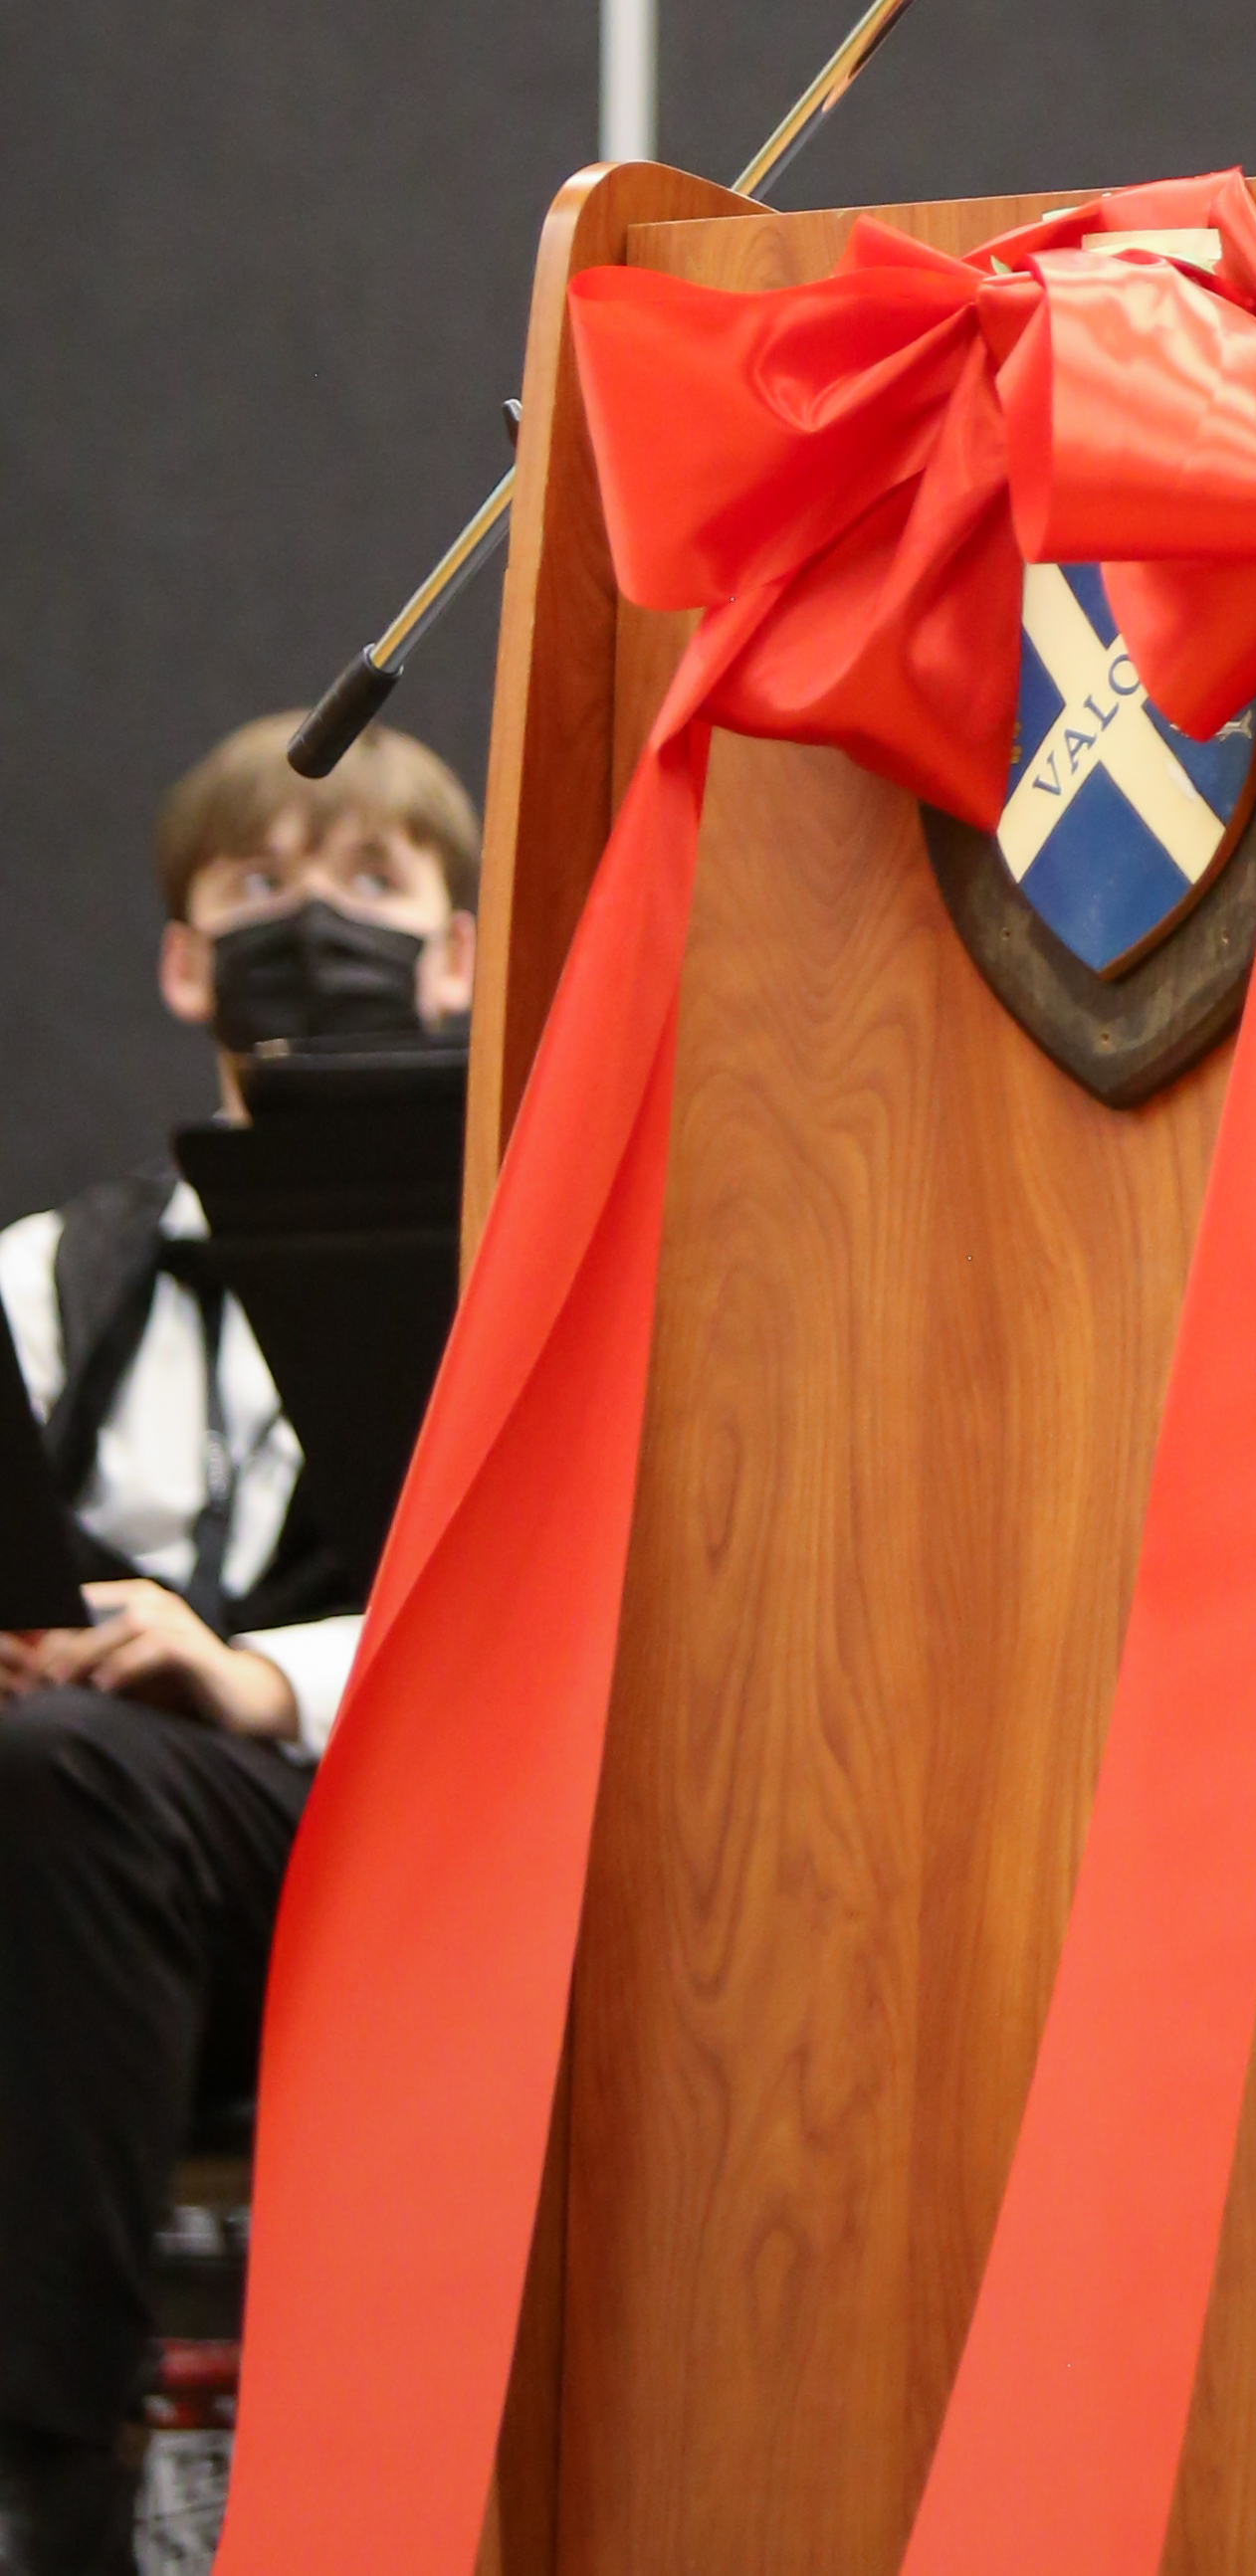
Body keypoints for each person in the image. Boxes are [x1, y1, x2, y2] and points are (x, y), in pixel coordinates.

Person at [0, 714, 477, 2576]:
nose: (312, 920)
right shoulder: (42, 1275)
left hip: (393, 1839)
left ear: (456, 951)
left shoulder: (518, 1258)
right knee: (47, 1772)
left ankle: (44, 2483)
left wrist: (266, 1674)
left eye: (369, 883)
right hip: (68, 1854)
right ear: (183, 956)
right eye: (260, 885)